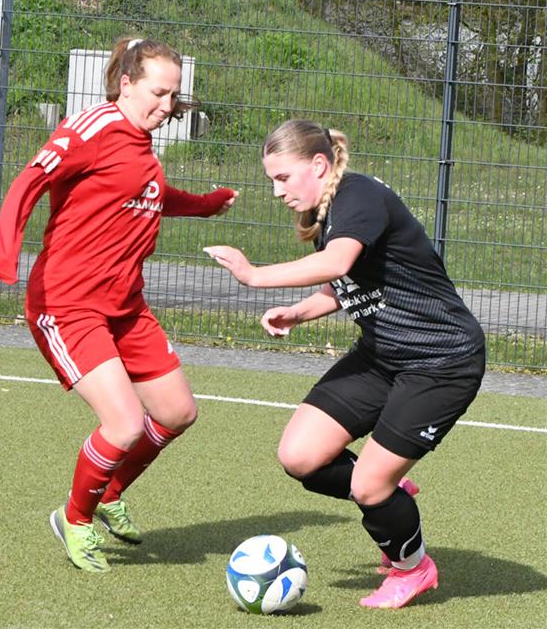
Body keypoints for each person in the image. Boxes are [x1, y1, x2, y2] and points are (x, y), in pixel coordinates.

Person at [206, 119, 485, 608]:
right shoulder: (329, 210)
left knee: (369, 485)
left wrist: (253, 275)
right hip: (381, 355)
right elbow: (346, 283)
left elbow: (337, 263)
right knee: (301, 457)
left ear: (318, 165)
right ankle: (387, 492)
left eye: (283, 178)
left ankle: (413, 567)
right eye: (272, 180)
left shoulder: (359, 196)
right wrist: (299, 312)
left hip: (440, 361)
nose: (276, 191)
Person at [0, 37, 236, 573]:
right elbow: (32, 179)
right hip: (68, 303)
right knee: (123, 425)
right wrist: (6, 247)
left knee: (177, 412)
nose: (167, 105)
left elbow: (150, 195)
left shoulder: (141, 143)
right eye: (158, 92)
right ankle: (75, 519)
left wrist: (205, 206)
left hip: (125, 305)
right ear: (126, 83)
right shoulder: (92, 127)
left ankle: (108, 492)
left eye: (174, 95)